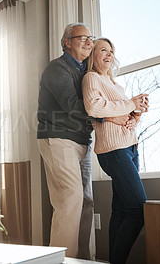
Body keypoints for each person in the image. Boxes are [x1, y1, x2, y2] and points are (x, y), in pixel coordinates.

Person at [82, 37, 149, 264]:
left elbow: (121, 114)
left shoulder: (115, 85)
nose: (109, 54)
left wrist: (136, 115)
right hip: (113, 150)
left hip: (130, 147)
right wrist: (130, 105)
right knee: (138, 209)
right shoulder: (91, 78)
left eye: (111, 51)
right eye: (103, 50)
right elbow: (94, 107)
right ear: (93, 55)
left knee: (121, 211)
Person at [37, 23, 98, 259]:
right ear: (67, 42)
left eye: (90, 38)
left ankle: (83, 259)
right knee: (70, 199)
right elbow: (72, 105)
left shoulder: (87, 73)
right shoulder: (57, 68)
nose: (88, 41)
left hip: (82, 143)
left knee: (86, 202)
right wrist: (108, 113)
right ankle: (61, 260)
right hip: (58, 139)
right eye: (81, 37)